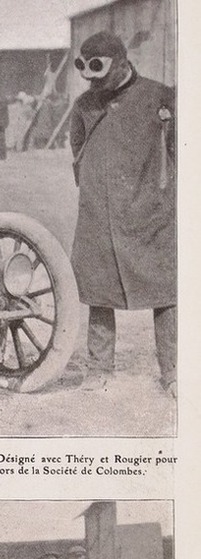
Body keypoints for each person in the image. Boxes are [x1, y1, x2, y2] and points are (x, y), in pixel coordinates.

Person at [69, 31, 176, 395]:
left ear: (122, 61)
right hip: (99, 213)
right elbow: (77, 149)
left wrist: (162, 193)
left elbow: (180, 151)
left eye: (99, 68)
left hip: (152, 213)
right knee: (99, 290)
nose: (93, 79)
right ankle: (99, 370)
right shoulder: (85, 105)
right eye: (85, 69)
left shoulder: (160, 97)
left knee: (165, 291)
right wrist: (93, 187)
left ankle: (174, 373)